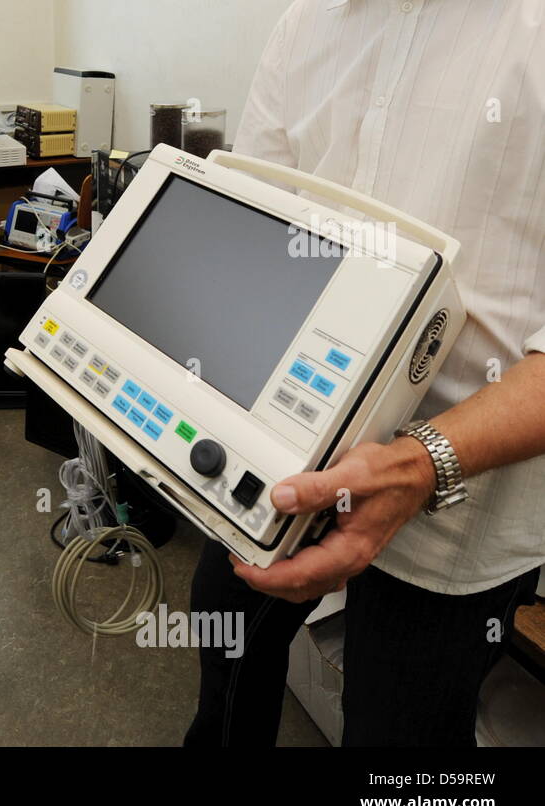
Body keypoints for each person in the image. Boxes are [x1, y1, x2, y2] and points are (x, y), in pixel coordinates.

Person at [185, 0, 545, 746]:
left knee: (398, 733)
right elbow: (257, 223)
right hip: (284, 444)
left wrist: (420, 462)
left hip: (461, 505)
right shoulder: (306, 26)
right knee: (225, 632)